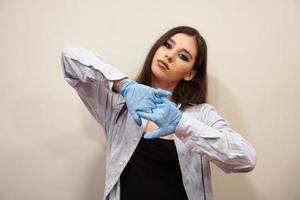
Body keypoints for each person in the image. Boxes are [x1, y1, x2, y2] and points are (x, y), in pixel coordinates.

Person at [61, 26, 256, 200]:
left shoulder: (202, 115)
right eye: (167, 45)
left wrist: (181, 123)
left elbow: (245, 159)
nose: (169, 55)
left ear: (190, 74)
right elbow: (69, 57)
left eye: (183, 56)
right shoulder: (118, 105)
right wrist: (124, 85)